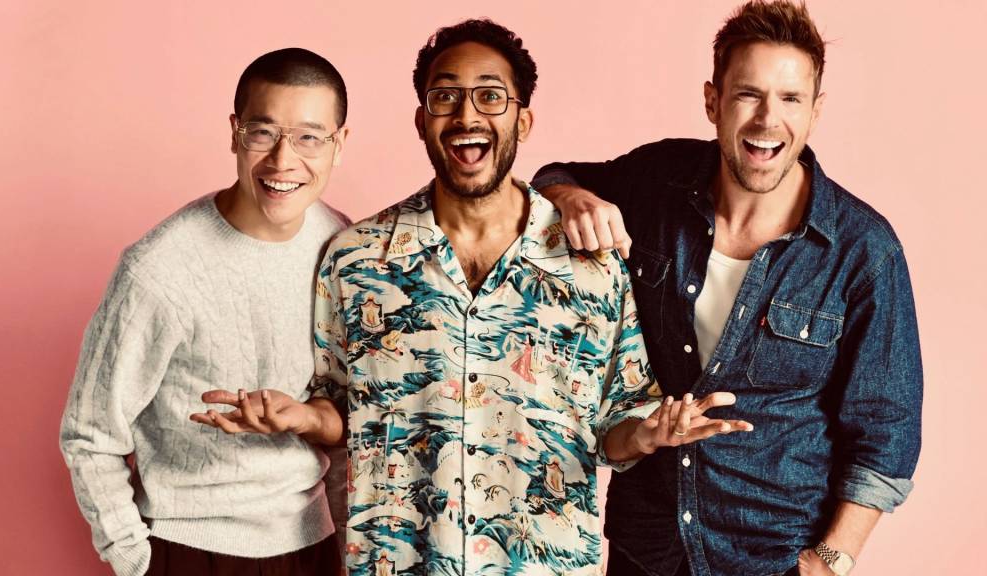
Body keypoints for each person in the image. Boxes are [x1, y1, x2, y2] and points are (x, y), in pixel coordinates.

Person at [310, 19, 748, 575]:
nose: (467, 115)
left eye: (491, 96)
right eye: (445, 96)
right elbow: (333, 409)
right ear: (421, 121)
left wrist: (648, 433)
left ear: (523, 120)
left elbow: (618, 423)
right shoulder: (355, 261)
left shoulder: (592, 268)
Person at [531, 2, 923, 575]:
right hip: (649, 550)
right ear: (712, 101)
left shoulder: (863, 250)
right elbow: (551, 178)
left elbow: (887, 430)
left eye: (790, 99)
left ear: (816, 110)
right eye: (748, 95)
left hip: (774, 556)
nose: (768, 120)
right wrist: (571, 198)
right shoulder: (656, 181)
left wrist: (831, 560)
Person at [60, 47, 350, 576]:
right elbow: (90, 433)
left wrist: (349, 546)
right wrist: (135, 560)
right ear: (235, 133)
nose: (283, 160)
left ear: (339, 143)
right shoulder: (157, 268)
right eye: (263, 132)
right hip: (189, 548)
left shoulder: (340, 243)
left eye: (309, 137)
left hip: (313, 547)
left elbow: (346, 410)